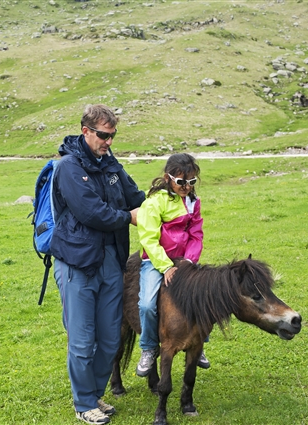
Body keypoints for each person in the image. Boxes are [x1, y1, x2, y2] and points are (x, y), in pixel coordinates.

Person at [51, 104, 145, 424]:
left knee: (109, 339)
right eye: (103, 135)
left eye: (112, 135)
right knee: (81, 340)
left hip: (110, 260)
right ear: (86, 131)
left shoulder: (112, 166)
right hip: (76, 262)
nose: (108, 141)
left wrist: (169, 203)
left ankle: (94, 394)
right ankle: (83, 404)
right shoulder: (68, 167)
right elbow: (91, 213)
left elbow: (137, 198)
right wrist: (129, 218)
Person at [135, 153, 210, 378]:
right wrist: (166, 267)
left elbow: (196, 234)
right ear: (168, 178)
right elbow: (148, 238)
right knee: (147, 303)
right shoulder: (153, 203)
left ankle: (200, 343)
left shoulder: (193, 203)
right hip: (156, 261)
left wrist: (189, 261)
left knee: (204, 297)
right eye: (181, 182)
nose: (186, 187)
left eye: (191, 182)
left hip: (185, 261)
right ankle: (149, 347)